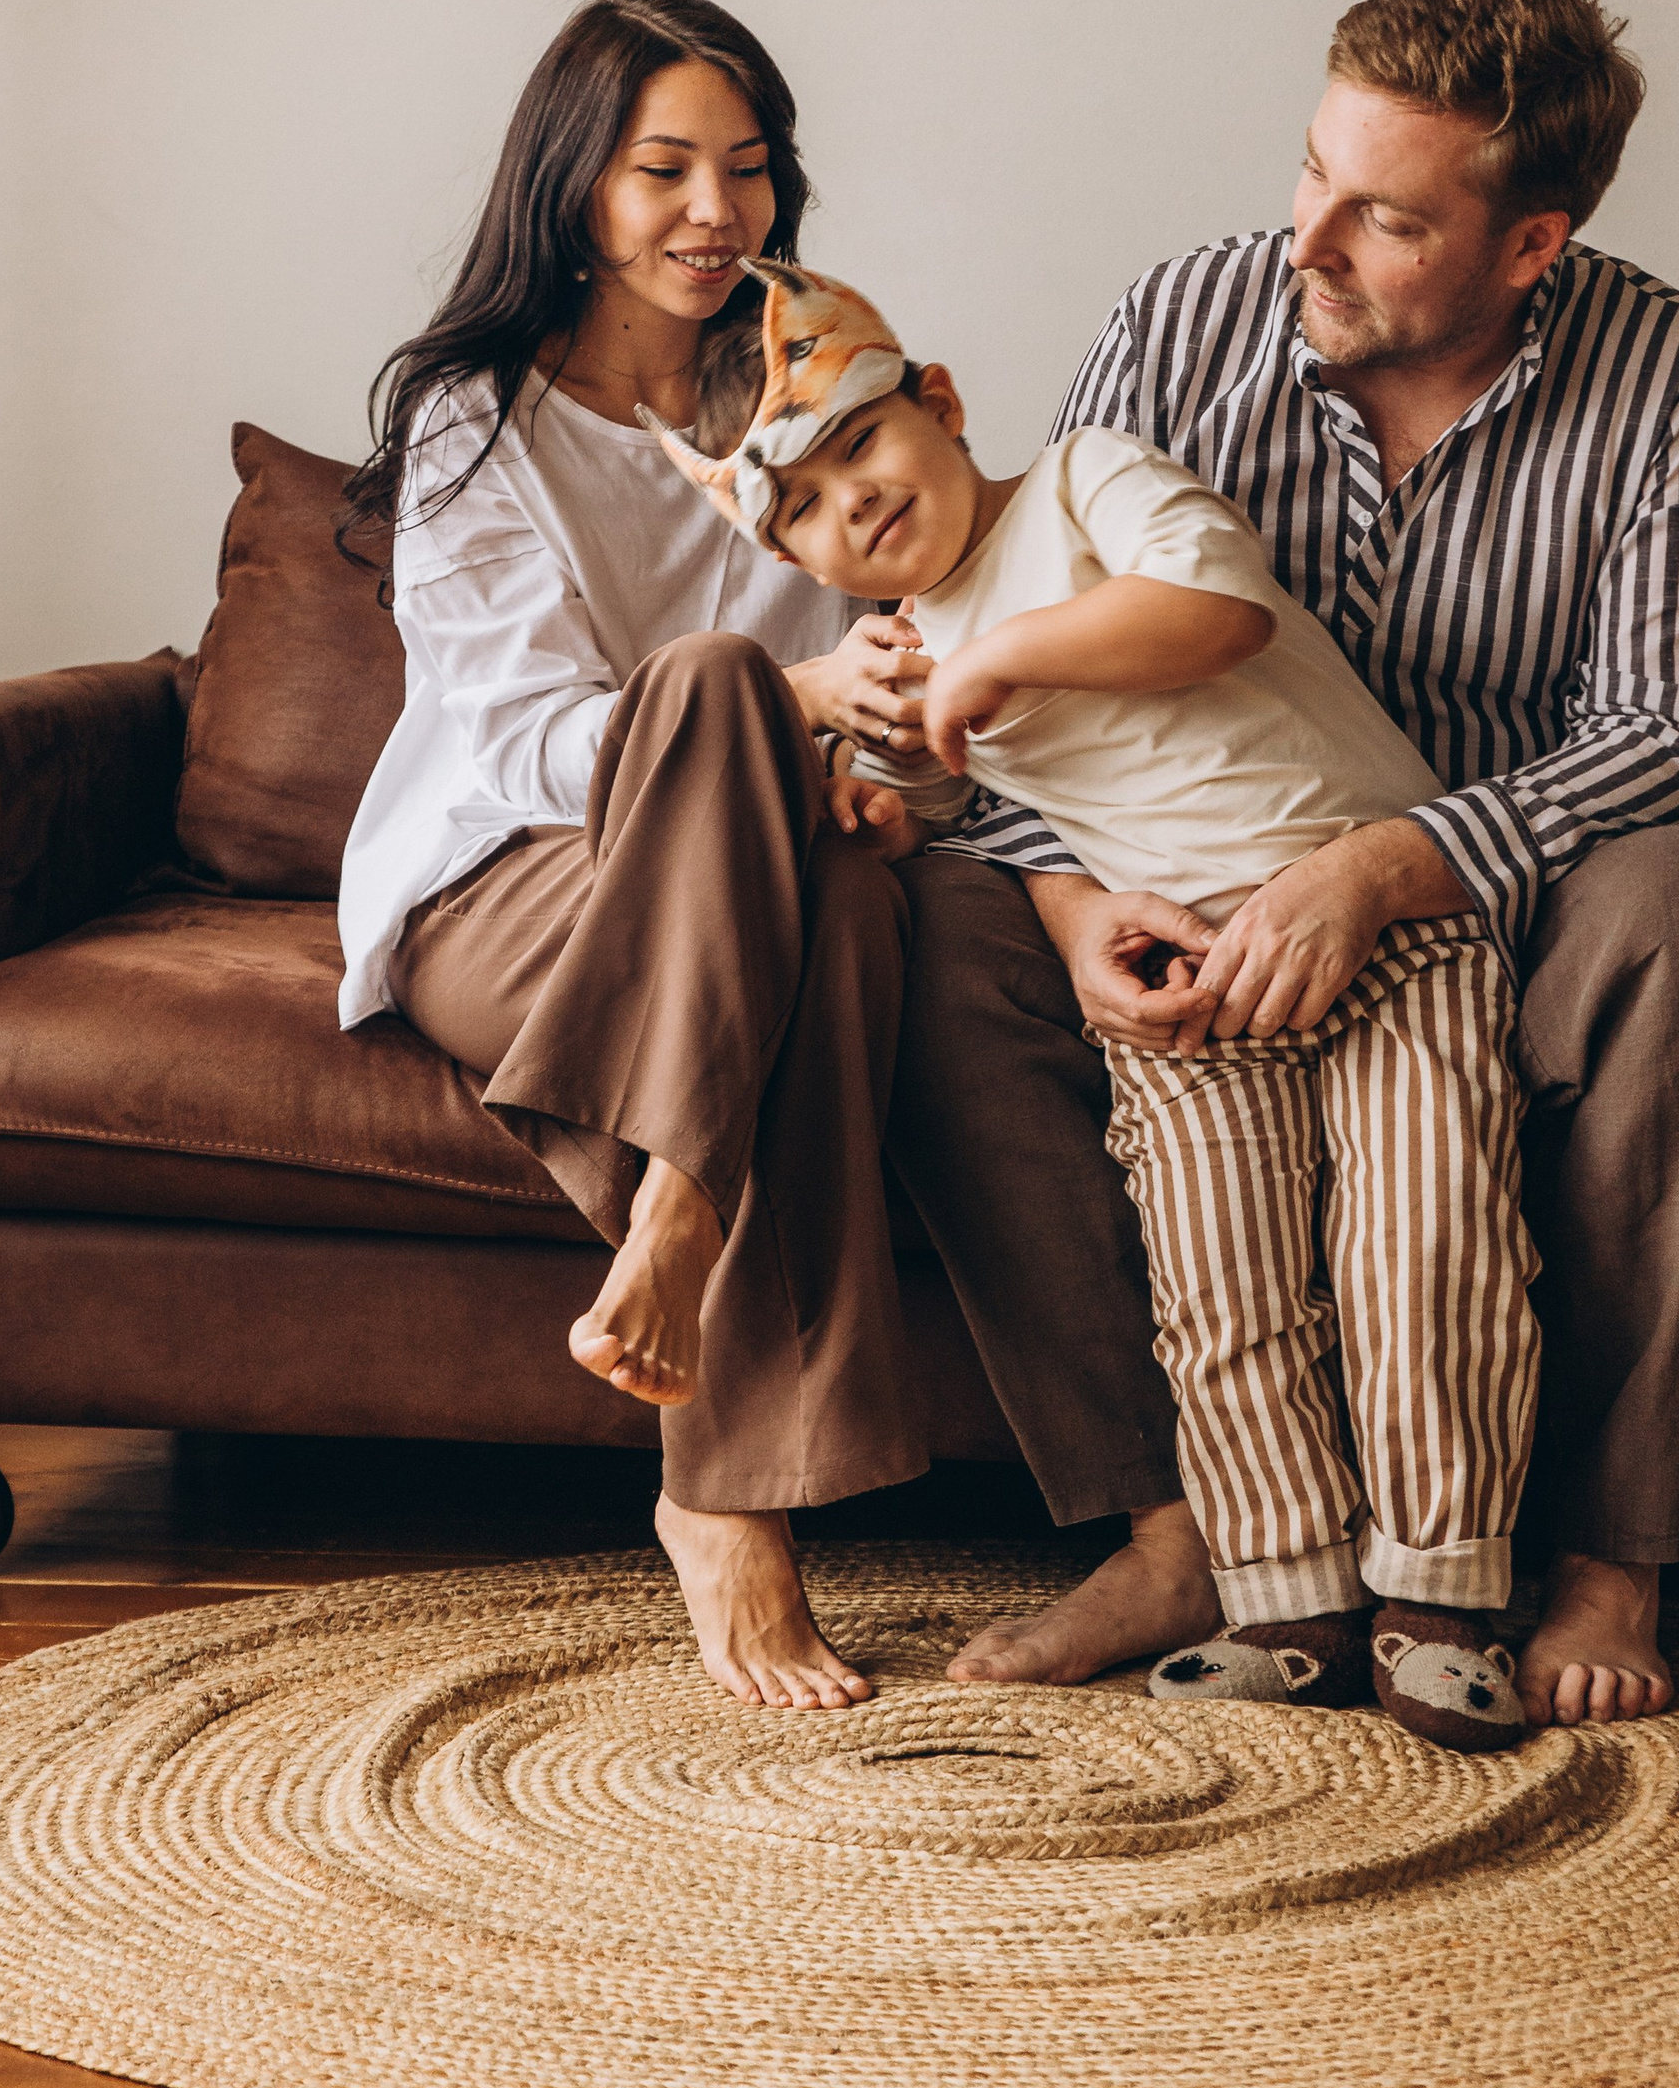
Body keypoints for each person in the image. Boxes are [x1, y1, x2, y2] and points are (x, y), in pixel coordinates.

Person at [885, 0, 1679, 1725]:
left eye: (1381, 216)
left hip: (1505, 905)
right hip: (1174, 871)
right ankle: (1174, 1532)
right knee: (934, 913)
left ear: (1529, 243)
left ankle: (1610, 1560)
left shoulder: (1677, 377)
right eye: (1311, 170)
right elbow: (1011, 628)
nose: (1307, 239)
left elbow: (1676, 732)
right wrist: (1081, 910)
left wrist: (1390, 867)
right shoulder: (1180, 321)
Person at [333, 0, 1211, 1711]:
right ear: (575, 184)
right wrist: (780, 712)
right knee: (727, 687)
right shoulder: (476, 418)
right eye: (664, 169)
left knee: (867, 893)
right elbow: (521, 743)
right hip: (503, 881)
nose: (712, 212)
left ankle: (687, 1209)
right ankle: (725, 1483)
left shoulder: (807, 398)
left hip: (771, 889)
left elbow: (932, 712)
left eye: (745, 169)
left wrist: (888, 762)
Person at [648, 263, 1536, 1753]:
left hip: (1382, 921)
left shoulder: (1086, 481)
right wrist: (879, 800)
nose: (849, 509)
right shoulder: (913, 649)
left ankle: (1443, 1594)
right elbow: (942, 803)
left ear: (939, 402)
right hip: (1189, 980)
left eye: (859, 446)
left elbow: (1213, 614)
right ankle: (1285, 1593)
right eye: (797, 508)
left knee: (1420, 1229)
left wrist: (992, 658)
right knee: (1220, 1281)